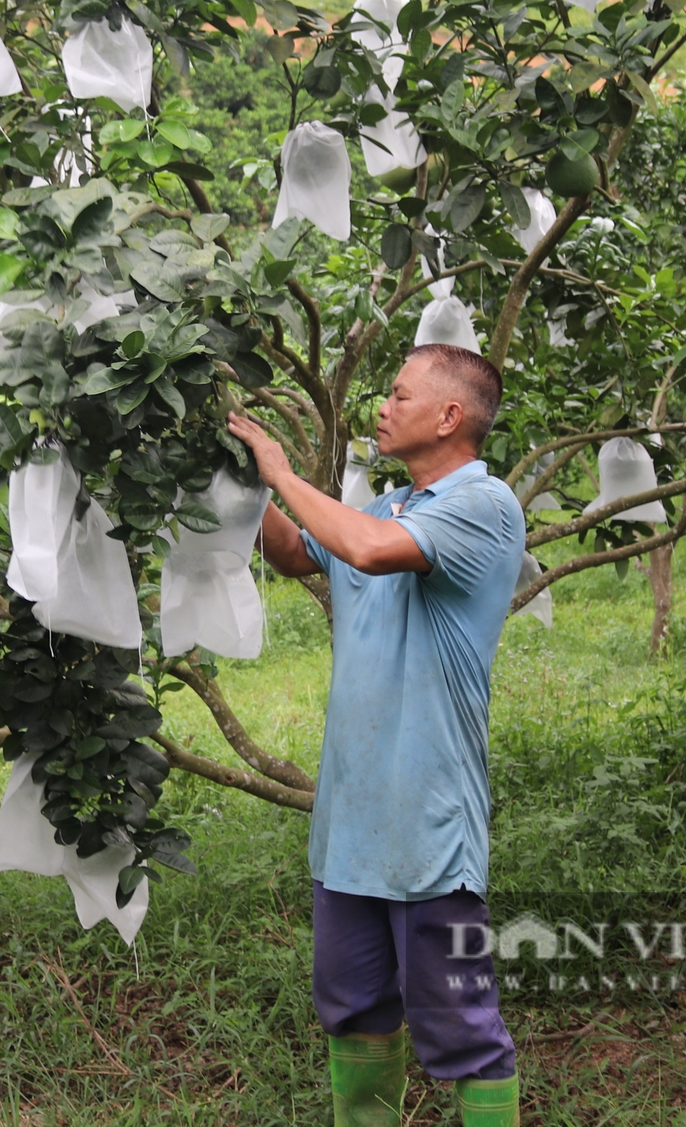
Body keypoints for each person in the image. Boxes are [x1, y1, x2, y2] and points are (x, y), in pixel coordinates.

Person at [226, 343, 526, 1127]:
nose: (383, 408)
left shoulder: (483, 506)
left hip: (429, 828)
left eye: (399, 395)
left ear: (449, 416)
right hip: (352, 829)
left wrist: (281, 473)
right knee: (355, 1013)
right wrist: (227, 482)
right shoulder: (390, 504)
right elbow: (298, 551)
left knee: (462, 1029)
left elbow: (364, 551)